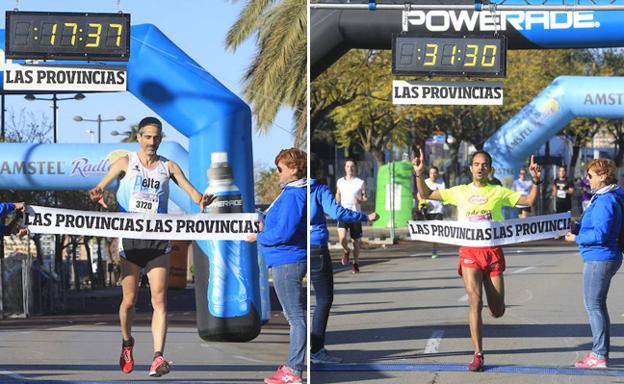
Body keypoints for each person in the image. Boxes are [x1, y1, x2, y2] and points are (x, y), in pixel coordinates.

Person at [89, 117, 215, 377]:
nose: (152, 142)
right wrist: (98, 192)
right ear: (139, 137)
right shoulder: (125, 162)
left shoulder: (168, 167)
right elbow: (100, 185)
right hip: (131, 239)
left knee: (160, 300)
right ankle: (127, 342)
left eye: (157, 137)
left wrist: (203, 199)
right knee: (129, 301)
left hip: (158, 239)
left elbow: (193, 194)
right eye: (148, 136)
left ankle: (158, 357)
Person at [413, 148, 541, 372]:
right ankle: (478, 354)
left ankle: (493, 312)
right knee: (474, 301)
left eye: (484, 164)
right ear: (470, 168)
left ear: (490, 169)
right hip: (469, 253)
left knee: (497, 310)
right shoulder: (460, 191)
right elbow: (425, 194)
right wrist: (418, 173)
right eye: (476, 164)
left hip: (492, 253)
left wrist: (536, 181)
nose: (480, 167)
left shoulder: (498, 191)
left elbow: (529, 201)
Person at [309, 154, 379, 364]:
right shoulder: (320, 189)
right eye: (346, 165)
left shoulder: (287, 192)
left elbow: (272, 219)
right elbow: (336, 209)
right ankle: (315, 350)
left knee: (295, 307)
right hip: (315, 246)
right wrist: (366, 217)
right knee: (323, 299)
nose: (349, 168)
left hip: (293, 250)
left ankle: (301, 355)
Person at [246, 148, 307, 384]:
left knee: (294, 318)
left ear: (293, 169)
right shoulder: (291, 193)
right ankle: (292, 367)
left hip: (287, 260)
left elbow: (285, 231)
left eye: (280, 168)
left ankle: (293, 370)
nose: (277, 173)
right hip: (286, 259)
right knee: (294, 316)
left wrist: (259, 237)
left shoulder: (293, 196)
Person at [564, 158, 623, 369]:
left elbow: (600, 233)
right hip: (604, 256)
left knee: (593, 306)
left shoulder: (606, 200)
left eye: (590, 175)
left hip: (600, 257)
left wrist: (576, 239)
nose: (587, 179)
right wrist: (575, 228)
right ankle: (601, 353)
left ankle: (598, 355)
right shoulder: (606, 196)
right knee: (599, 306)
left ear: (603, 176)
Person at [336, 159, 367, 273]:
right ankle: (346, 250)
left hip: (355, 214)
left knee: (356, 242)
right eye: (348, 166)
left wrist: (361, 200)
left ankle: (355, 263)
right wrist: (335, 202)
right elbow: (338, 194)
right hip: (343, 213)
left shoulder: (360, 182)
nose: (350, 168)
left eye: (352, 166)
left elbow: (365, 197)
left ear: (355, 168)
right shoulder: (340, 182)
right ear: (345, 168)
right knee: (342, 238)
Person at [416, 166, 446, 258]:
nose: (433, 175)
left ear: (437, 174)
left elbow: (444, 195)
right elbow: (419, 194)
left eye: (434, 173)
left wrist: (438, 193)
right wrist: (421, 202)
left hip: (438, 210)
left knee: (436, 231)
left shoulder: (441, 183)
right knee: (429, 232)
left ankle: (434, 250)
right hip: (427, 210)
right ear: (429, 174)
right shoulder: (426, 182)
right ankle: (430, 247)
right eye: (431, 173)